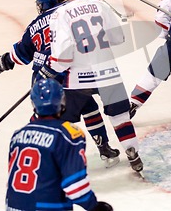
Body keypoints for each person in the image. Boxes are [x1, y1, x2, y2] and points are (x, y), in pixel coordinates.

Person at [0, 0, 120, 168]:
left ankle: (40, 151)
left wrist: (2, 62)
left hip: (43, 76)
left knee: (47, 115)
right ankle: (103, 147)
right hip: (69, 70)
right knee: (87, 105)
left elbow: (20, 55)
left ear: (41, 5)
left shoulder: (34, 25)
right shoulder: (68, 13)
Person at [37, 0, 143, 173]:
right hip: (109, 73)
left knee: (63, 120)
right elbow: (118, 38)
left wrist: (49, 70)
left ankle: (60, 163)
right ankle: (132, 151)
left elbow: (63, 56)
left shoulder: (60, 14)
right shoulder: (101, 6)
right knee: (120, 116)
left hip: (78, 79)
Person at [6, 78, 113, 211]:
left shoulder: (18, 135)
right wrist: (94, 206)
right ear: (62, 101)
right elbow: (74, 185)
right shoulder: (68, 135)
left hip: (13, 206)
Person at [0, 0, 62, 85]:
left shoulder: (34, 26)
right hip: (71, 66)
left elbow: (20, 53)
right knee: (77, 97)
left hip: (44, 72)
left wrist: (4, 60)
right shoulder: (68, 12)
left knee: (41, 96)